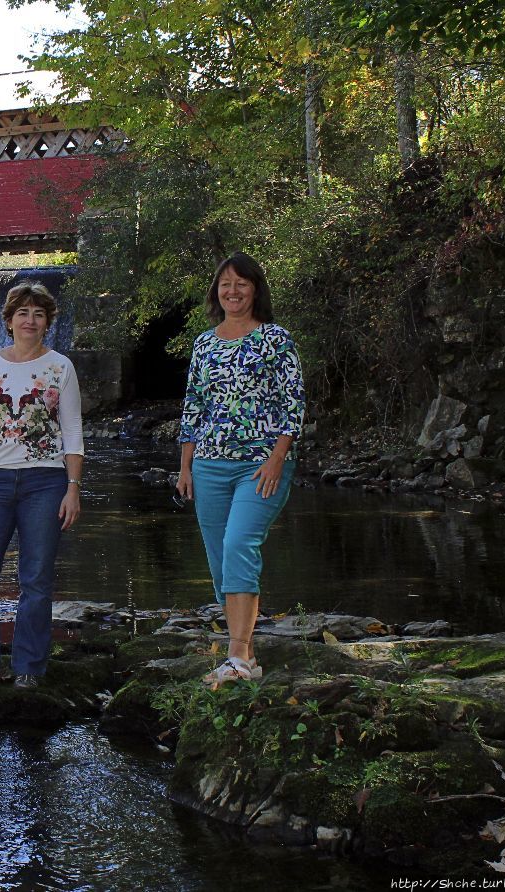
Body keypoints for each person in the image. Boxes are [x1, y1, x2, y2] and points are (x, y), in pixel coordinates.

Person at [175, 253, 306, 687]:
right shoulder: (204, 344)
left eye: (242, 284)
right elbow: (194, 406)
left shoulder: (276, 340)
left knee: (238, 545)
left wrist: (277, 458)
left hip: (259, 465)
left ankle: (235, 655)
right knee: (219, 561)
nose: (232, 291)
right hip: (209, 465)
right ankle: (245, 655)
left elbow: (293, 403)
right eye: (225, 284)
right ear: (217, 290)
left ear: (255, 290)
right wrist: (185, 466)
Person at [0, 281, 85, 690]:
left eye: (39, 314)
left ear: (47, 322)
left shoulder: (60, 367)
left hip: (45, 482)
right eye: (23, 313)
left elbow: (73, 430)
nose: (30, 320)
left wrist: (73, 487)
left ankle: (29, 667)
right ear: (9, 321)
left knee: (36, 580)